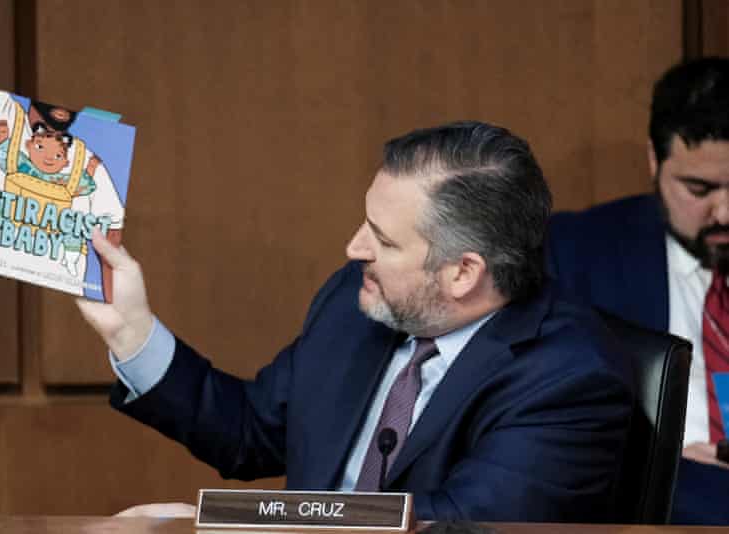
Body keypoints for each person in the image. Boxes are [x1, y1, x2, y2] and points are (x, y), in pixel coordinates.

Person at [78, 121, 634, 521]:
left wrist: (235, 522)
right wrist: (133, 331)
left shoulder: (570, 379)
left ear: (463, 272)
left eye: (384, 240)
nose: (353, 248)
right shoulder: (358, 302)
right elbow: (250, 433)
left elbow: (454, 523)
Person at [547, 57, 729, 524]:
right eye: (699, 188)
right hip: (650, 514)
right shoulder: (576, 254)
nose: (724, 213)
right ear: (654, 160)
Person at [0, 84, 124, 295]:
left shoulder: (87, 162)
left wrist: (115, 307)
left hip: (57, 295)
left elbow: (112, 235)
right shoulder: (0, 112)